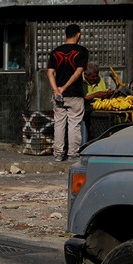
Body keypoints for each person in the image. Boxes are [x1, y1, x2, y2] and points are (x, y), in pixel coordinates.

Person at [46, 23, 89, 162]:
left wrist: (56, 89)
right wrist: (64, 88)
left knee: (59, 124)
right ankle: (72, 154)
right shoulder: (82, 51)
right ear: (78, 35)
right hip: (75, 93)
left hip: (59, 95)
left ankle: (58, 154)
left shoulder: (55, 52)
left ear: (65, 35)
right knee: (74, 124)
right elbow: (78, 73)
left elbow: (50, 73)